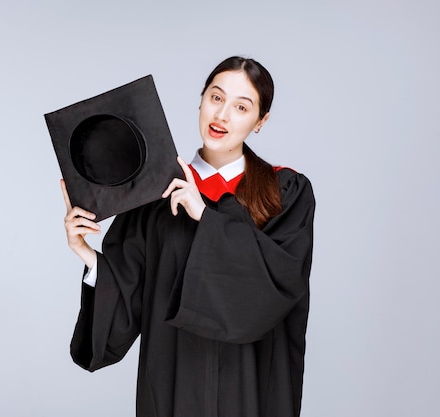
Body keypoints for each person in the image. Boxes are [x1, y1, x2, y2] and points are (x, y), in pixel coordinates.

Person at [60, 56, 315, 417]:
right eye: (216, 97)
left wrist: (204, 217)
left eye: (241, 107)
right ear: (201, 100)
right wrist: (87, 255)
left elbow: (280, 285)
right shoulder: (154, 198)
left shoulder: (284, 193)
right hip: (172, 388)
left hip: (250, 391)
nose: (222, 115)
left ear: (261, 121)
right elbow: (127, 299)